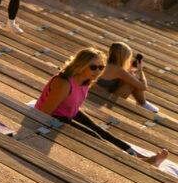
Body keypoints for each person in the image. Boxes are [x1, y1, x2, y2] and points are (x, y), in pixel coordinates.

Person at [35, 48, 168, 166]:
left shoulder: (85, 81)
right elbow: (44, 113)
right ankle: (136, 162)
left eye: (101, 67)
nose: (98, 71)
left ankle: (140, 156)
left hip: (70, 113)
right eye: (93, 67)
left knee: (102, 132)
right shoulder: (63, 83)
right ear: (81, 65)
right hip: (56, 117)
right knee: (94, 136)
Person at [97, 42, 160, 113]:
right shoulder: (119, 70)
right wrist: (140, 71)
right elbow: (143, 87)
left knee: (130, 77)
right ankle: (143, 103)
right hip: (103, 99)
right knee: (132, 82)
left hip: (98, 93)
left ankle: (143, 103)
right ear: (124, 57)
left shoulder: (104, 63)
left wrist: (129, 70)